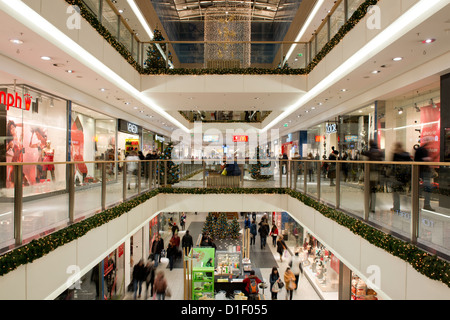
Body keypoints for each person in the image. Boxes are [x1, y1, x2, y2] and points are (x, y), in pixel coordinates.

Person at [362, 140, 384, 213]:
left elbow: (364, 163)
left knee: (368, 190)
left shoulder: (368, 153)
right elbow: (382, 163)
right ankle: (373, 207)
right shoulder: (380, 153)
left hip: (369, 173)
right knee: (374, 190)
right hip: (377, 173)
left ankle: (368, 205)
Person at [414, 137, 435, 211]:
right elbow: (417, 161)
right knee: (426, 188)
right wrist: (425, 160)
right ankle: (425, 205)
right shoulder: (421, 150)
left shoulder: (423, 150)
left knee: (424, 188)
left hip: (423, 172)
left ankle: (423, 205)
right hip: (423, 172)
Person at [390, 142, 412, 213]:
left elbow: (393, 166)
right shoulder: (407, 154)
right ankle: (407, 204)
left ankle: (396, 207)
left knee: (395, 192)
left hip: (397, 176)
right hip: (405, 177)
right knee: (405, 191)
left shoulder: (395, 155)